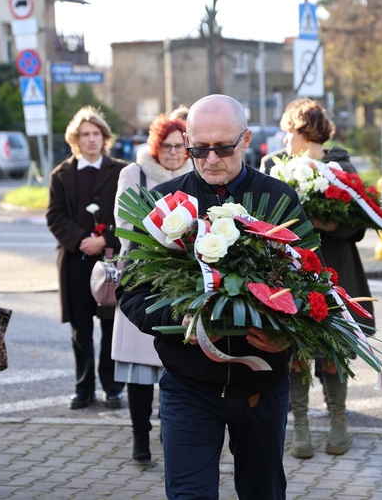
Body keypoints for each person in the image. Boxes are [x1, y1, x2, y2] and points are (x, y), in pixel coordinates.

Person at [119, 94, 307, 500]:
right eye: (199, 149)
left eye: (223, 147)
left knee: (263, 493)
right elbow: (131, 290)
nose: (210, 159)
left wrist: (286, 335)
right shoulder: (164, 204)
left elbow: (314, 284)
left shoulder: (278, 200)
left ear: (246, 140)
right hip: (189, 384)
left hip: (261, 384)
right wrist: (183, 321)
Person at [262, 98, 373, 458]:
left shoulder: (342, 167)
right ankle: (301, 427)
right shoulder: (273, 166)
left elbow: (359, 225)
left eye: (288, 132)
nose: (284, 139)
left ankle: (338, 422)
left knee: (334, 349)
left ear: (305, 131)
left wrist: (330, 223)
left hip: (337, 268)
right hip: (292, 270)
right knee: (296, 347)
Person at [111, 113, 193, 465]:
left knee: (174, 365)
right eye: (166, 146)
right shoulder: (135, 173)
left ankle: (169, 432)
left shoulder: (194, 175)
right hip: (143, 275)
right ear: (155, 146)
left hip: (183, 279)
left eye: (179, 147)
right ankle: (140, 439)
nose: (173, 153)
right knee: (139, 370)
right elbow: (125, 223)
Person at [47, 106, 126, 410]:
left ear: (104, 137)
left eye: (96, 133)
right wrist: (82, 240)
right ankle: (84, 387)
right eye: (85, 134)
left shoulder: (121, 171)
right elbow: (54, 216)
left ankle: (113, 387)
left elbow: (131, 213)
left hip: (111, 261)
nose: (91, 139)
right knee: (80, 329)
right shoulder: (60, 174)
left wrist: (106, 240)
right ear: (75, 139)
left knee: (110, 326)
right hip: (74, 261)